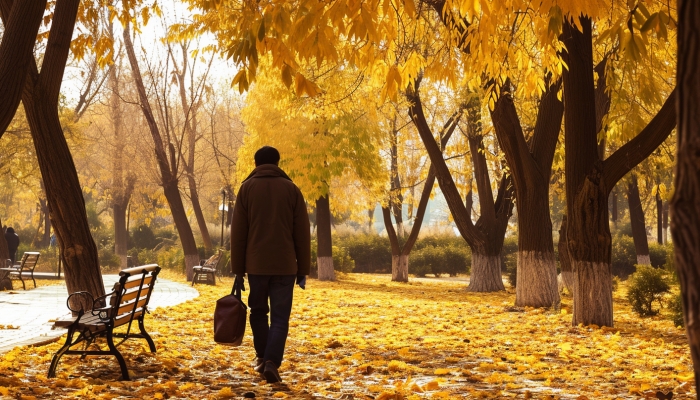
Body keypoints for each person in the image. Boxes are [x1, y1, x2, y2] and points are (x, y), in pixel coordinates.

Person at [230, 146, 310, 383]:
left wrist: (238, 270)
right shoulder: (292, 190)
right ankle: (272, 361)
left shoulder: (246, 189)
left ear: (256, 164)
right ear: (277, 163)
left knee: (258, 312)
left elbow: (239, 233)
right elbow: (302, 234)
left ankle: (263, 357)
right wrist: (303, 269)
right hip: (285, 266)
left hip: (256, 266)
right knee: (280, 318)